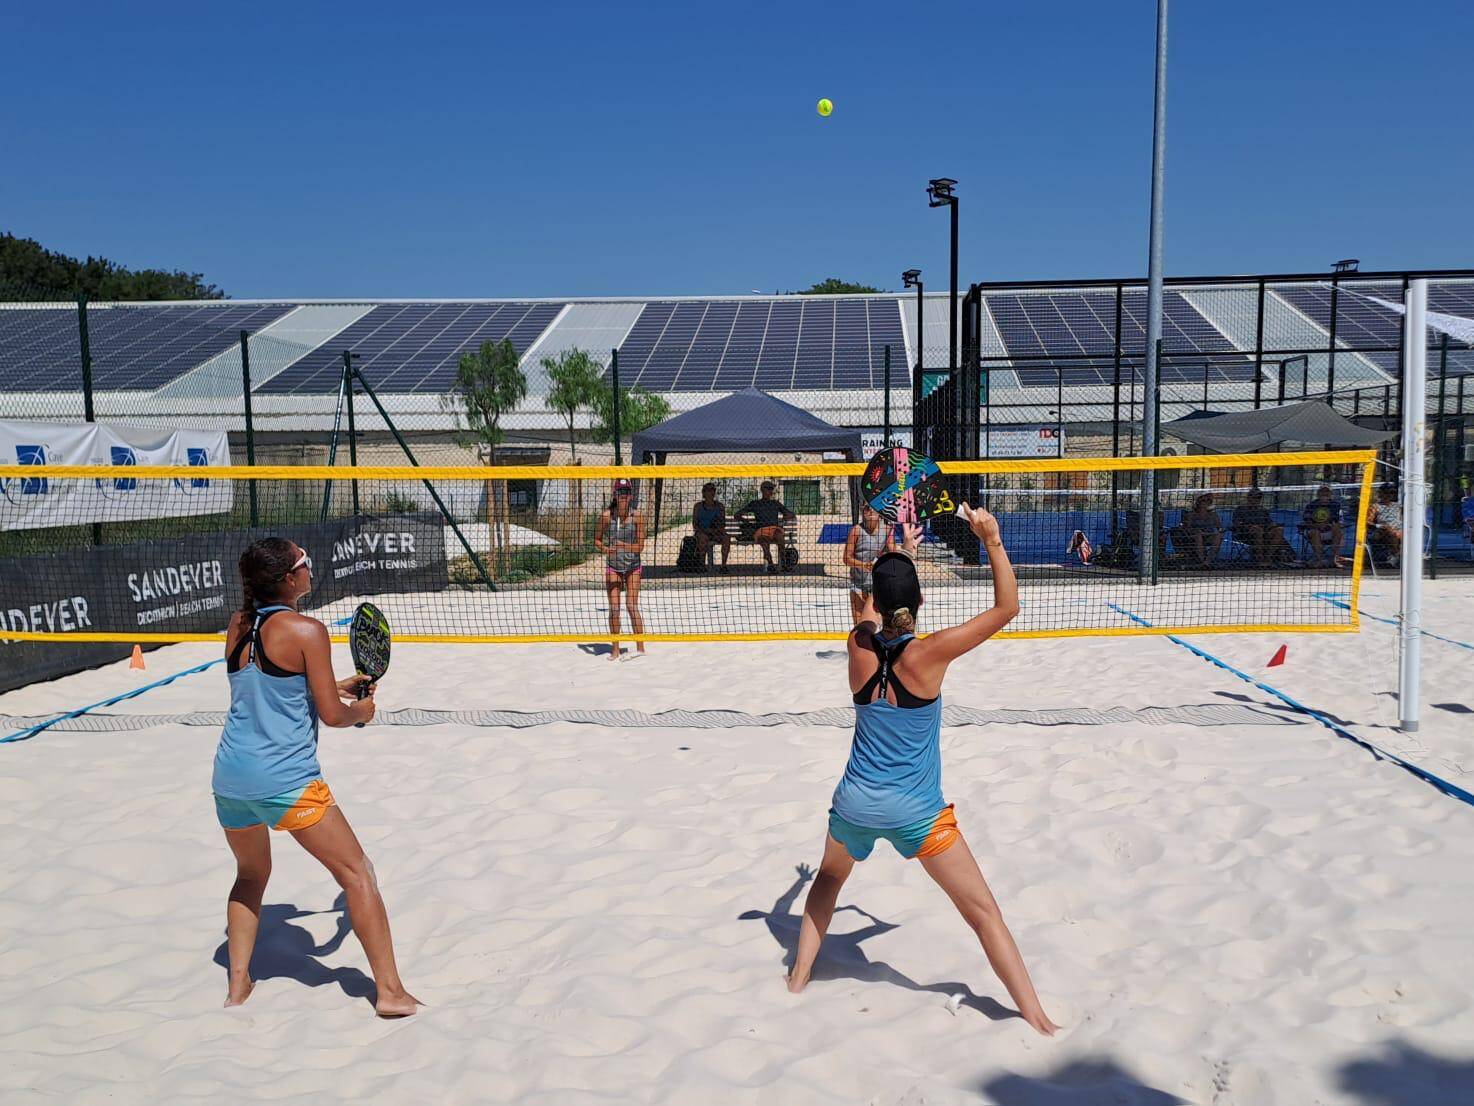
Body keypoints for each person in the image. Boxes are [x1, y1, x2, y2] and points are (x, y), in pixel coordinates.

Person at [786, 507, 1060, 1037]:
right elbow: (1008, 606)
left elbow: (874, 606)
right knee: (983, 914)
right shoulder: (932, 654)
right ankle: (1038, 1018)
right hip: (917, 814)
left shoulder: (857, 643)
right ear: (922, 600)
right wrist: (993, 540)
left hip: (856, 803)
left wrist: (896, 553)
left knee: (829, 879)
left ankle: (797, 979)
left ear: (875, 600)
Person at [212, 538, 418, 1017]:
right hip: (284, 780)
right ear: (289, 578)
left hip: (230, 779)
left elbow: (274, 681)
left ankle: (238, 985)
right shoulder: (308, 629)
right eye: (305, 561)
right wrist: (360, 710)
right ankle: (390, 993)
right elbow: (331, 715)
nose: (311, 565)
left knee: (250, 875)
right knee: (357, 873)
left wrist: (337, 683)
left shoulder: (239, 624)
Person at [594, 477, 647, 660]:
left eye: (626, 492)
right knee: (614, 608)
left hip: (632, 565)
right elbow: (597, 540)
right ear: (615, 495)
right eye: (620, 492)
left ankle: (640, 647)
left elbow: (640, 546)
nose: (623, 496)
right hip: (614, 566)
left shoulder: (637, 516)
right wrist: (606, 549)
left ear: (630, 496)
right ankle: (615, 649)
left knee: (632, 605)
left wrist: (624, 545)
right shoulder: (607, 516)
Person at [842, 505, 896, 625]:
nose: (871, 510)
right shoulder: (856, 530)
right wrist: (864, 565)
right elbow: (846, 558)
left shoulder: (887, 530)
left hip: (879, 585)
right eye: (867, 508)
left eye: (873, 507)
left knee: (883, 627)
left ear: (880, 512)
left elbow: (893, 555)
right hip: (858, 584)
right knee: (860, 628)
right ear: (863, 512)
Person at [736, 480, 798, 574]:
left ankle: (784, 565)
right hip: (761, 530)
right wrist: (746, 521)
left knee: (780, 537)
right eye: (768, 488)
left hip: (775, 529)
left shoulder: (775, 503)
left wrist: (785, 517)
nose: (770, 491)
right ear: (762, 490)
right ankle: (771, 565)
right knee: (764, 543)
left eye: (771, 489)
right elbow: (737, 515)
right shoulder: (755, 503)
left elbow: (791, 514)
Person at [1231, 488, 1292, 567]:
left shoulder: (1263, 510)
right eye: (1254, 497)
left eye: (1259, 497)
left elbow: (1269, 523)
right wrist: (1249, 527)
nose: (1257, 499)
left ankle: (1268, 557)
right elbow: (1237, 524)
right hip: (1244, 534)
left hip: (1264, 534)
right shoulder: (1240, 509)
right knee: (1258, 530)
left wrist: (1274, 525)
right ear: (1248, 497)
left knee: (1279, 530)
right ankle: (1260, 559)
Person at [1300, 484, 1346, 567]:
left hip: (1330, 531)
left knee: (1338, 530)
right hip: (1315, 531)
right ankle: (1319, 560)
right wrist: (1317, 525)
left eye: (1327, 492)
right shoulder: (1311, 505)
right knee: (1315, 532)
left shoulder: (1336, 505)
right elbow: (1307, 522)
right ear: (1318, 494)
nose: (1324, 494)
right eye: (1322, 492)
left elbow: (1341, 521)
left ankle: (1335, 559)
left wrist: (1331, 526)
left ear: (1330, 494)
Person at [692, 482, 731, 574]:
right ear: (703, 493)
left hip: (716, 532)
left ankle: (723, 566)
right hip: (702, 532)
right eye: (708, 490)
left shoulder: (720, 506)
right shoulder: (698, 506)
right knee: (703, 538)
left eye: (713, 490)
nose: (711, 492)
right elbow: (695, 524)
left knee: (726, 538)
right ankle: (701, 564)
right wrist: (704, 530)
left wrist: (716, 529)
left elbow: (723, 524)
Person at [1177, 493, 1224, 569]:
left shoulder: (1213, 515)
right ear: (1198, 502)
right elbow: (1186, 528)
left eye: (1207, 500)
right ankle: (1202, 561)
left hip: (1209, 535)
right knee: (1198, 536)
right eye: (1202, 500)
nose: (1205, 502)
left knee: (1218, 536)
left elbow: (1220, 527)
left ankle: (1207, 562)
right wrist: (1196, 531)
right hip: (1194, 536)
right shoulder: (1191, 514)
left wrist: (1221, 532)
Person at [1367, 485, 1403, 567]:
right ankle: (1397, 556)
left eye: (1391, 493)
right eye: (1386, 493)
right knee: (1390, 531)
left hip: (1399, 530)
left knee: (1402, 533)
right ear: (1381, 494)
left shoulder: (1398, 506)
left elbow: (1404, 519)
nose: (1389, 495)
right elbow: (1368, 522)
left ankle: (1396, 557)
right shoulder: (1375, 506)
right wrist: (1379, 526)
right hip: (1383, 530)